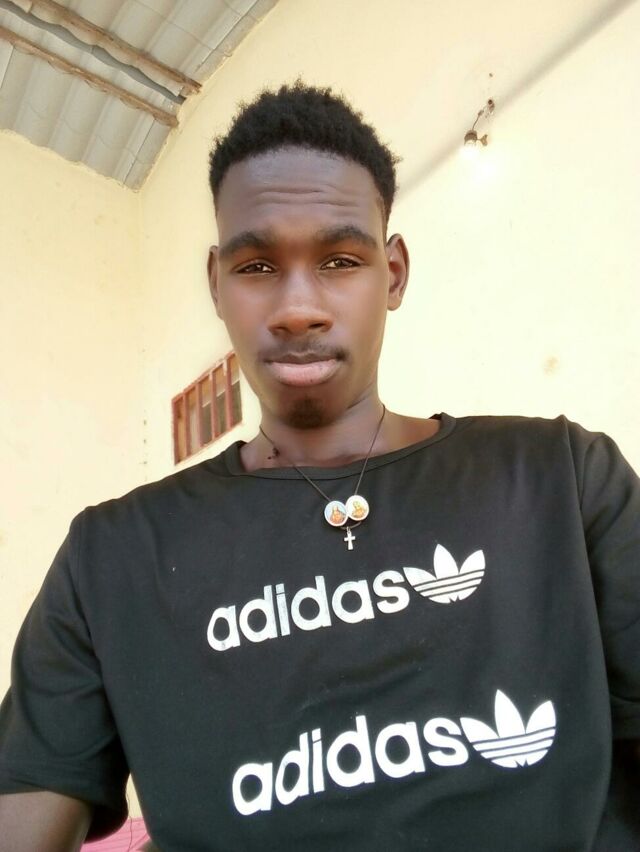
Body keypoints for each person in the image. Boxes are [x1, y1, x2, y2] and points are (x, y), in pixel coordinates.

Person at [0, 82, 638, 852]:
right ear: (216, 284)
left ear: (392, 273)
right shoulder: (112, 559)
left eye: (339, 259)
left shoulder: (562, 480)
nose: (297, 307)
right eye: (257, 266)